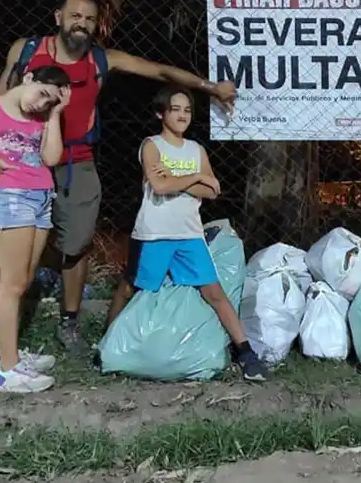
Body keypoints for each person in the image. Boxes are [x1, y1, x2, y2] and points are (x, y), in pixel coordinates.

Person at [0, 0, 238, 358]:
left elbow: (161, 72)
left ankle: (69, 321)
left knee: (78, 243)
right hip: (23, 160)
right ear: (58, 18)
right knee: (6, 250)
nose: (80, 24)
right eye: (74, 16)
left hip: (77, 160)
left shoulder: (103, 60)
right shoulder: (26, 50)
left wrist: (211, 87)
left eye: (89, 19)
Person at [113, 86, 267, 382]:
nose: (183, 115)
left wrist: (174, 179)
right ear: (161, 113)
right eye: (175, 109)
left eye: (187, 110)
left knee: (215, 293)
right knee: (131, 289)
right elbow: (159, 188)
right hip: (153, 234)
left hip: (189, 234)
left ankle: (246, 353)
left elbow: (213, 190)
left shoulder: (196, 150)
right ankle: (109, 344)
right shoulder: (152, 145)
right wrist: (196, 176)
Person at [0, 66, 71, 392]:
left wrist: (55, 113)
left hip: (42, 199)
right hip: (13, 199)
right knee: (12, 285)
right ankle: (8, 372)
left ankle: (9, 354)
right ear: (28, 77)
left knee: (24, 280)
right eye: (43, 93)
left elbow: (52, 158)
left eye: (50, 101)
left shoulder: (42, 118)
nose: (41, 103)